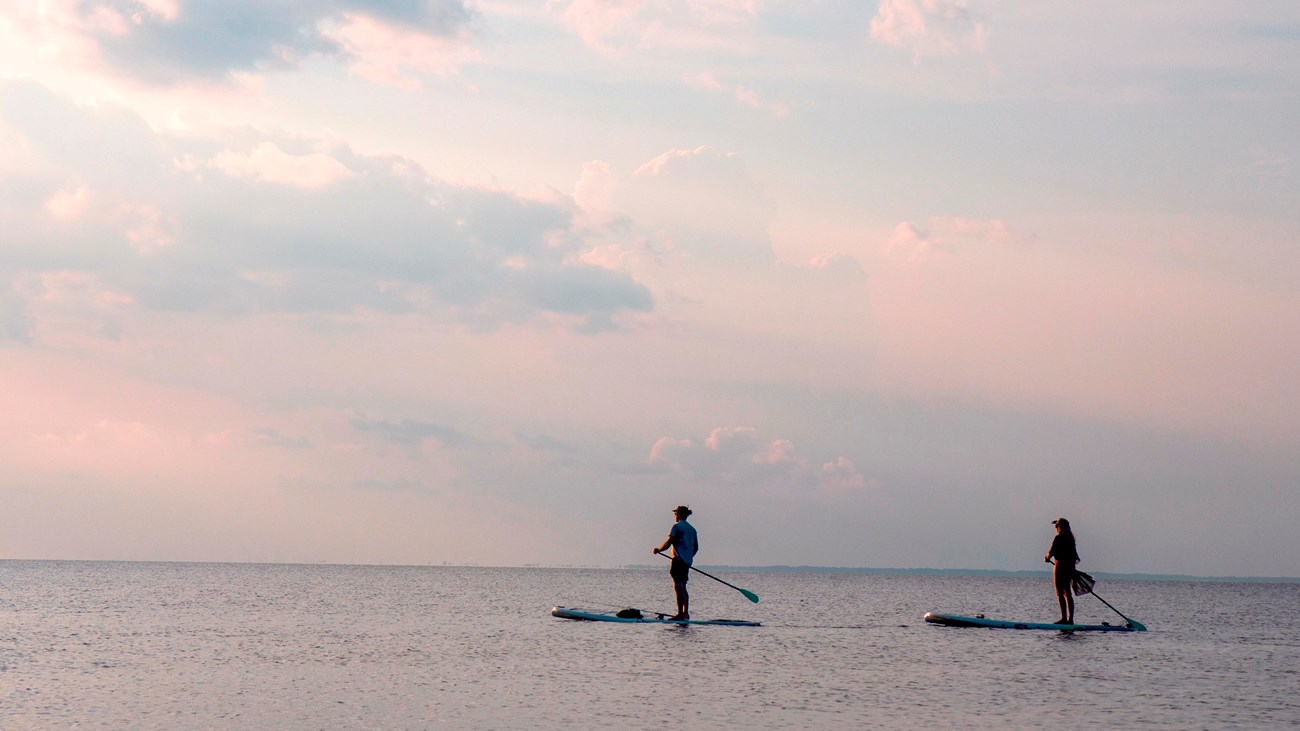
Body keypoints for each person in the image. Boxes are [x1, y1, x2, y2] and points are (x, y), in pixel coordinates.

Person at [653, 505, 698, 620]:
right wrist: (688, 557)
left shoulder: (677, 527)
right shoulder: (692, 530)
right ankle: (685, 613)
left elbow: (669, 542)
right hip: (686, 562)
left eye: (675, 514)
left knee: (679, 587)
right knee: (683, 586)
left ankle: (680, 614)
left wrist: (658, 550)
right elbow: (696, 548)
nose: (675, 516)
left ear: (679, 515)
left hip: (678, 562)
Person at [1044, 517, 1080, 624]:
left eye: (1057, 526)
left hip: (1060, 567)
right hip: (1069, 568)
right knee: (1067, 593)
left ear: (1060, 527)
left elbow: (1050, 553)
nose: (1056, 528)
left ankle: (1064, 618)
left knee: (1060, 593)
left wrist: (1046, 557)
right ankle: (1070, 619)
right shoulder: (1071, 539)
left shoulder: (1058, 538)